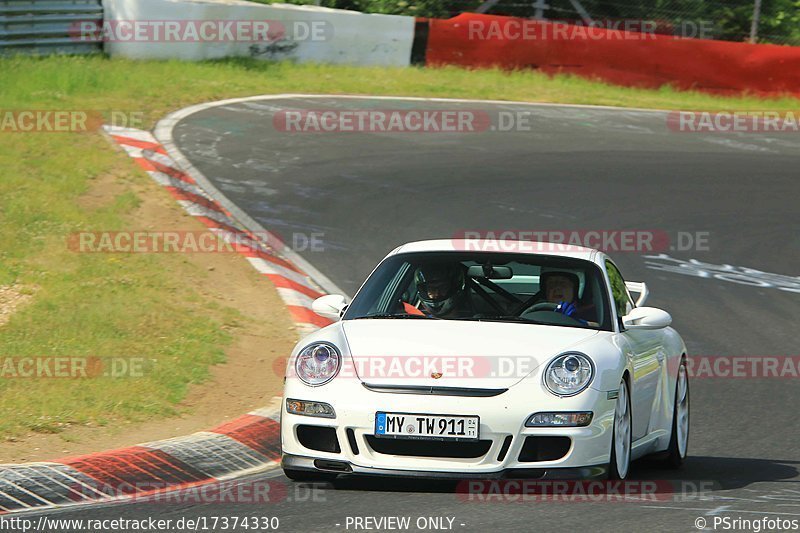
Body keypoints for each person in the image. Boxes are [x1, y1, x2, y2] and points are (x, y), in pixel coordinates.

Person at [404, 263, 474, 319]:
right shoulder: (413, 319)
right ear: (423, 290)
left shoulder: (475, 321)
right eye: (431, 289)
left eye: (443, 287)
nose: (436, 294)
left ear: (454, 287)